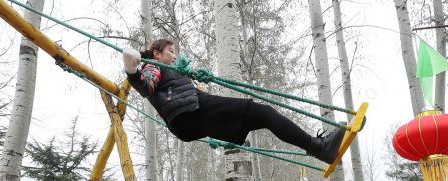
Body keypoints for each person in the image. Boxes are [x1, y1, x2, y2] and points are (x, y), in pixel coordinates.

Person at [122, 39, 346, 164]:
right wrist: (132, 71)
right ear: (156, 53)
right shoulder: (154, 65)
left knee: (261, 116)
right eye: (171, 51)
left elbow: (168, 90)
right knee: (265, 113)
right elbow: (146, 85)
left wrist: (197, 80)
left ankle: (318, 148)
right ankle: (318, 147)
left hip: (188, 119)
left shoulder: (171, 71)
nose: (175, 55)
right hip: (190, 112)